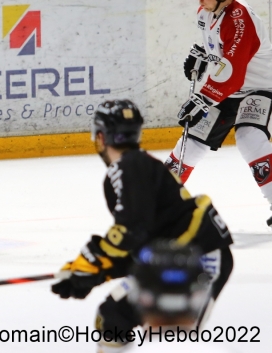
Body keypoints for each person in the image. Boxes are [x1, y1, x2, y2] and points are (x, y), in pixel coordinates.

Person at [51, 100, 233, 351]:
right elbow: (141, 239)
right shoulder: (134, 165)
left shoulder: (129, 167)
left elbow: (131, 231)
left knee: (172, 331)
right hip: (173, 256)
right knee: (113, 316)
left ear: (100, 137)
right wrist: (94, 271)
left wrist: (94, 261)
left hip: (196, 258)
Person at [165, 0, 272, 226]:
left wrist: (202, 98)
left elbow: (234, 75)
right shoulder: (206, 11)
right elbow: (218, 47)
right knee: (191, 142)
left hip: (259, 88)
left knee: (249, 136)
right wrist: (202, 54)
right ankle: (159, 202)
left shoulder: (240, 19)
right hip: (226, 89)